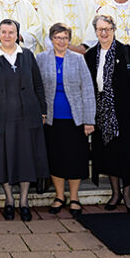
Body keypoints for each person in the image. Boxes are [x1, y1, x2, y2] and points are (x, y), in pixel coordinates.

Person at [85, 15, 130, 215]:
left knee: (127, 155)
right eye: (100, 29)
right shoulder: (90, 54)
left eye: (108, 29)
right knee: (109, 155)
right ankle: (115, 193)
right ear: (95, 31)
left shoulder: (128, 52)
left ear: (114, 29)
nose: (104, 33)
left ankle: (127, 194)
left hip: (124, 114)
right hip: (102, 114)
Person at [0, 19, 47, 222]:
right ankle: (8, 201)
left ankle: (23, 202)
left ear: (17, 34)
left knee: (25, 159)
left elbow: (38, 85)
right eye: (3, 32)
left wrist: (42, 110)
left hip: (27, 116)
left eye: (11, 32)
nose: (7, 35)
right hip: (2, 118)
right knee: (4, 159)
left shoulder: (28, 56)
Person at [37, 23, 96, 217]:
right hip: (52, 119)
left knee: (75, 158)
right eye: (57, 38)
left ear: (69, 40)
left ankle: (75, 197)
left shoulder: (78, 59)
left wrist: (89, 120)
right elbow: (38, 88)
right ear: (51, 39)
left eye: (65, 38)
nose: (61, 41)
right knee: (56, 158)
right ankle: (59, 196)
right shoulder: (41, 59)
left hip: (75, 118)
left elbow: (87, 90)